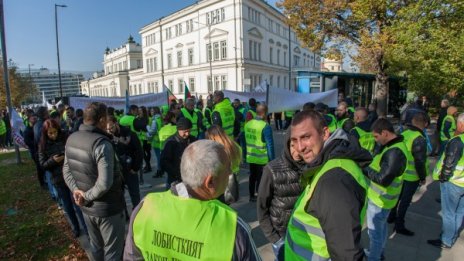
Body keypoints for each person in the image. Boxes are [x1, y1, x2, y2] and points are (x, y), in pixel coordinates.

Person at [123, 140, 260, 260]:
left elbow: (131, 257)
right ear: (210, 182)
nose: (230, 173)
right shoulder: (232, 226)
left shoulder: (145, 207)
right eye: (227, 169)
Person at [284, 110, 371, 260]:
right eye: (295, 140)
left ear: (324, 133)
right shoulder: (327, 163)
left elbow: (346, 255)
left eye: (306, 137)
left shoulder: (334, 181)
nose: (300, 147)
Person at [63, 102, 125, 260]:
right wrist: (84, 196)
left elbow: (66, 171)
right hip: (107, 209)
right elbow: (105, 183)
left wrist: (77, 192)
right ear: (103, 119)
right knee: (113, 253)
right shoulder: (101, 143)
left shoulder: (71, 138)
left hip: (87, 209)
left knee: (96, 248)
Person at [363, 119, 410, 261]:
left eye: (376, 137)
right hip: (385, 199)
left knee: (375, 233)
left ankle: (374, 257)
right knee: (381, 229)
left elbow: (383, 179)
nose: (375, 140)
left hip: (380, 201)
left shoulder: (394, 151)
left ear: (385, 133)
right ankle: (377, 253)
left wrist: (364, 168)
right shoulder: (393, 146)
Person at [257, 130, 303, 259]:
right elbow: (261, 207)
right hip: (282, 236)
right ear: (287, 145)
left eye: (300, 145)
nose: (297, 150)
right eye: (292, 145)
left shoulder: (311, 167)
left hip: (304, 234)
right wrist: (275, 238)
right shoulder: (271, 170)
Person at [38, 119, 87, 238]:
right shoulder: (43, 144)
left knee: (78, 204)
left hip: (72, 177)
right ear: (45, 133)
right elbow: (43, 164)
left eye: (55, 132)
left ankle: (86, 229)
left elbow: (76, 151)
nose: (53, 135)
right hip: (58, 179)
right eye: (50, 133)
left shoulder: (66, 136)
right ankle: (76, 228)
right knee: (68, 206)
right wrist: (53, 161)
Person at [388, 112, 428, 236]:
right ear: (425, 124)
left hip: (401, 174)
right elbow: (420, 161)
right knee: (405, 202)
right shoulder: (419, 139)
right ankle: (399, 225)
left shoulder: (404, 134)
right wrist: (422, 177)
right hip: (411, 177)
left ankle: (391, 217)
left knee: (397, 198)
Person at [428, 113, 464, 249]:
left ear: (461, 124)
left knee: (449, 213)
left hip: (454, 183)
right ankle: (452, 235)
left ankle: (446, 240)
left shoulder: (457, 141)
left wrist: (443, 178)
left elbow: (449, 164)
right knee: (459, 212)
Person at [107, 116, 143, 210]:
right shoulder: (107, 137)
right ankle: (124, 215)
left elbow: (139, 151)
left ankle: (137, 214)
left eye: (111, 128)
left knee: (135, 194)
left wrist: (135, 168)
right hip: (117, 172)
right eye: (107, 129)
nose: (110, 131)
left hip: (130, 170)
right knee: (119, 196)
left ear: (116, 123)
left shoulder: (129, 134)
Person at [245, 104, 275, 202]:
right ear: (264, 113)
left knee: (252, 177)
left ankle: (251, 196)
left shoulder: (248, 124)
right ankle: (259, 196)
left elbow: (245, 140)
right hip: (262, 158)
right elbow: (270, 145)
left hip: (251, 156)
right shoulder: (265, 126)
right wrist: (272, 160)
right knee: (261, 178)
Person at [205, 125, 242, 204]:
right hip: (233, 181)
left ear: (212, 138)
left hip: (219, 184)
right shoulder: (235, 146)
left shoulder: (216, 151)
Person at [160, 118, 197, 190]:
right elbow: (164, 162)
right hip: (174, 179)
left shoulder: (193, 139)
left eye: (189, 131)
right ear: (178, 129)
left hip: (191, 178)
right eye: (185, 131)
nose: (187, 134)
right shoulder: (170, 142)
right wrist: (177, 174)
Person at [34, 106, 49, 189]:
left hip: (40, 150)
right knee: (43, 169)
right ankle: (44, 184)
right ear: (44, 114)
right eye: (47, 112)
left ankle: (43, 183)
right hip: (43, 150)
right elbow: (42, 138)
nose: (49, 113)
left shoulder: (37, 124)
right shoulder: (42, 125)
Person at [149, 107, 163, 178]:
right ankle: (161, 170)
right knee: (160, 157)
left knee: (158, 158)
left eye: (152, 111)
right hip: (161, 139)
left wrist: (147, 127)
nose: (150, 112)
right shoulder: (161, 118)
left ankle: (159, 171)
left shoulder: (154, 120)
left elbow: (152, 131)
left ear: (155, 112)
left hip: (156, 140)